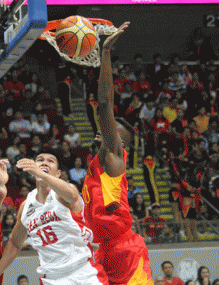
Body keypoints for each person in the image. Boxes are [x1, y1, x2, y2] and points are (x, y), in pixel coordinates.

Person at [0, 147, 108, 285]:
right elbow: (14, 243)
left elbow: (72, 196)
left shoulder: (64, 192)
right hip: (51, 278)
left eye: (50, 161)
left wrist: (42, 175)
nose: (44, 163)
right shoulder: (26, 206)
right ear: (32, 168)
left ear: (58, 173)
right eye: (40, 160)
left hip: (83, 271)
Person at [82, 22, 153, 285]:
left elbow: (104, 105)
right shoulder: (99, 164)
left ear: (122, 142)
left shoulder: (114, 155)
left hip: (125, 249)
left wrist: (106, 52)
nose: (106, 129)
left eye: (113, 129)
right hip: (105, 249)